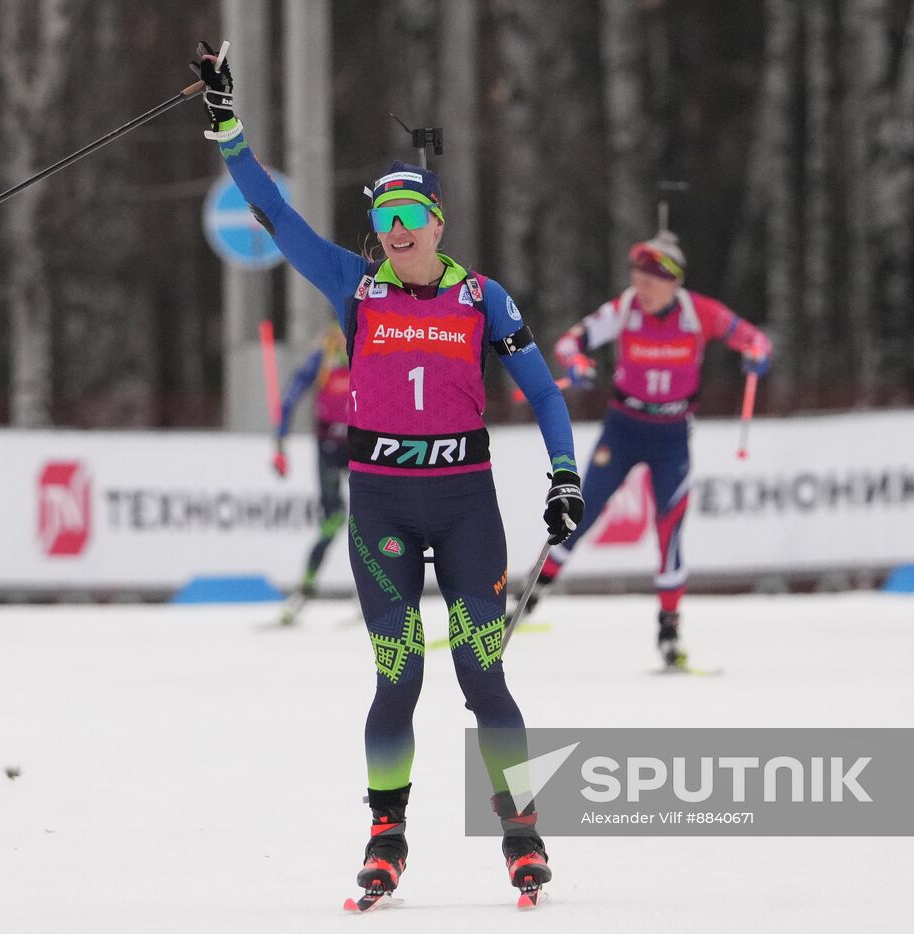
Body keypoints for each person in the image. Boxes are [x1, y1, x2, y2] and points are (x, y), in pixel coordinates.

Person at [188, 43, 584, 900]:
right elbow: (274, 216)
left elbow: (546, 393)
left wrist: (565, 476)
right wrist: (228, 128)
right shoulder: (355, 288)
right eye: (387, 218)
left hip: (466, 505)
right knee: (397, 674)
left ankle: (521, 829)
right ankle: (386, 833)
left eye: (413, 215)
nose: (398, 230)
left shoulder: (483, 298)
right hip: (382, 510)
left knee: (484, 675)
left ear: (439, 223)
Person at [523, 231, 771, 671]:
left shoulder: (701, 313)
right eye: (637, 274)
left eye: (652, 278)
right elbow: (568, 342)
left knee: (670, 530)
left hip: (671, 435)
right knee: (579, 513)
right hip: (623, 429)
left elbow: (755, 339)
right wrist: (577, 364)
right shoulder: (624, 309)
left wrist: (756, 354)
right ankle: (527, 602)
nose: (642, 285)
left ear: (673, 280)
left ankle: (669, 632)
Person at [271, 324, 351, 626]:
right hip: (329, 447)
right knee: (333, 520)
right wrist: (279, 441)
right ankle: (305, 587)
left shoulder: (370, 347)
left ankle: (380, 592)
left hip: (364, 446)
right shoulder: (325, 354)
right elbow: (292, 394)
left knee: (372, 520)